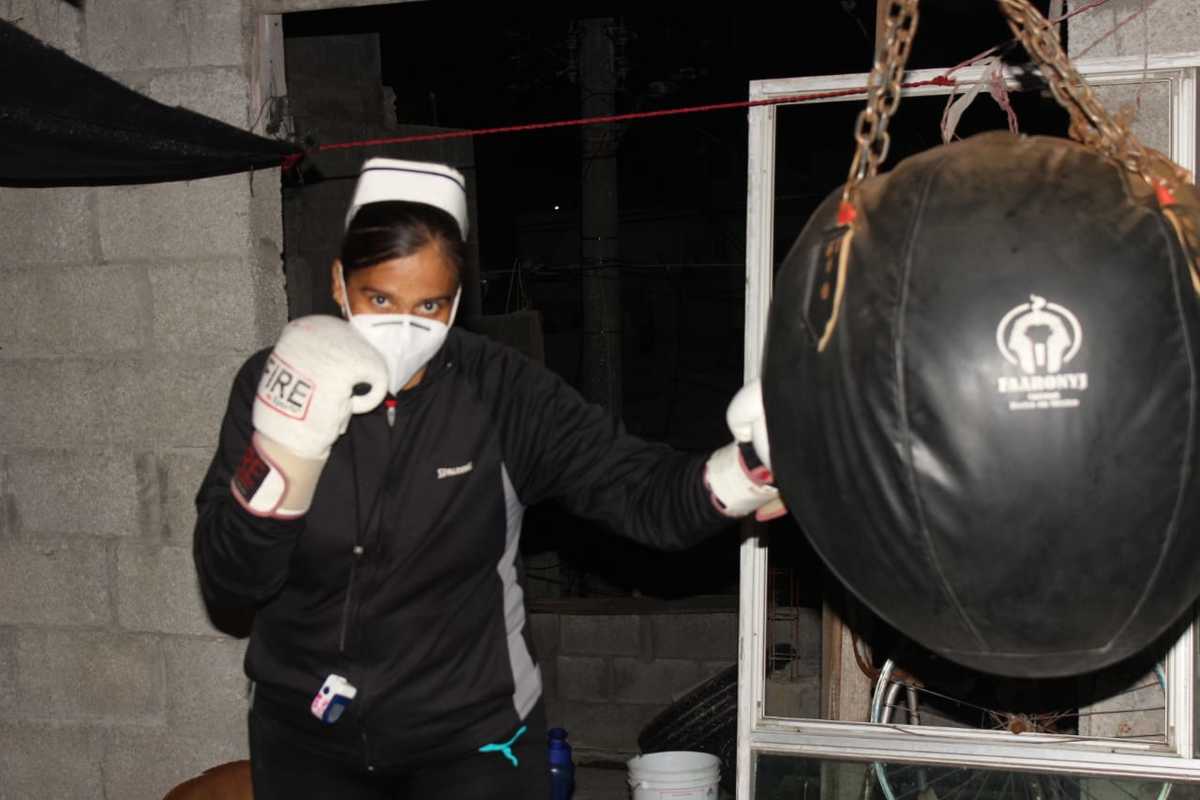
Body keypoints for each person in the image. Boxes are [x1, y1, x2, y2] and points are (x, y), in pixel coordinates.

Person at [193, 158, 781, 799]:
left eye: (429, 305)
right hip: (305, 735)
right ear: (340, 282)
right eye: (380, 298)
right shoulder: (271, 381)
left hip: (471, 738)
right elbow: (231, 581)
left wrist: (748, 467)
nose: (403, 326)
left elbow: (639, 491)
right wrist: (287, 457)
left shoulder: (502, 392)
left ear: (455, 305)